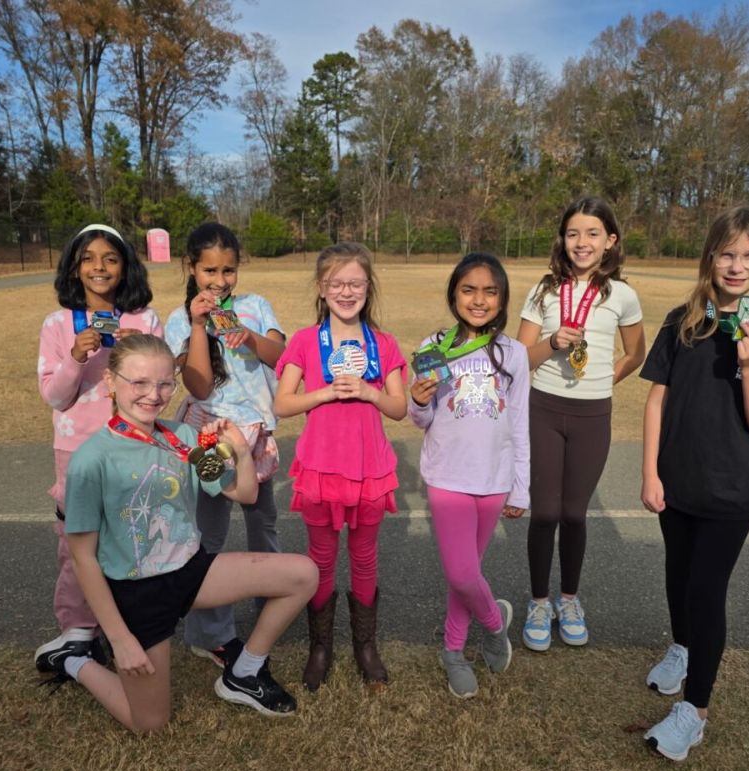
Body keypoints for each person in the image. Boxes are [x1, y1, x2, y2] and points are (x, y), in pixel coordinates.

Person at [56, 333, 317, 731]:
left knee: (303, 575)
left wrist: (241, 452)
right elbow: (83, 557)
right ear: (110, 381)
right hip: (137, 593)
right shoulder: (92, 460)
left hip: (191, 573)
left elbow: (244, 493)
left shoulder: (183, 438)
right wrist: (120, 639)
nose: (153, 395)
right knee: (149, 724)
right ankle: (74, 661)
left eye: (165, 384)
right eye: (139, 383)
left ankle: (244, 672)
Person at [639, 204, 749, 761]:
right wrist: (650, 471)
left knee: (706, 592)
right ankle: (683, 649)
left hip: (730, 488)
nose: (737, 265)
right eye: (727, 253)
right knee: (678, 578)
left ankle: (695, 711)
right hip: (675, 480)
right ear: (710, 256)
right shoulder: (684, 319)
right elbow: (656, 400)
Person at [274, 243, 407, 690]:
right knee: (321, 560)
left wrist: (370, 392)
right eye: (337, 283)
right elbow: (282, 403)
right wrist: (325, 393)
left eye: (355, 283)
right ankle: (321, 647)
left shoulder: (383, 343)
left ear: (369, 287)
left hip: (370, 470)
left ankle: (365, 647)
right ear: (321, 287)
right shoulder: (304, 341)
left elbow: (399, 408)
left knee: (365, 559)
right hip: (321, 469)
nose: (346, 292)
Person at [516, 197, 645, 651]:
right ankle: (538, 602)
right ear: (562, 239)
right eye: (573, 233)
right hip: (544, 410)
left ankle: (569, 600)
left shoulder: (622, 295)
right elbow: (519, 358)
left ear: (610, 240)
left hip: (593, 415)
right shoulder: (544, 290)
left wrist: (605, 378)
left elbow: (636, 353)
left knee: (573, 513)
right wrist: (552, 341)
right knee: (544, 513)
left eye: (593, 233)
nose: (582, 242)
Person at [35, 223, 162, 672]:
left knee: (130, 536)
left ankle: (125, 626)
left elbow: (159, 386)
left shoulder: (144, 320)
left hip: (131, 445)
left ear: (125, 266)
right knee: (77, 543)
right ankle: (77, 632)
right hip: (76, 450)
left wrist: (139, 352)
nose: (99, 267)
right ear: (74, 267)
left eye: (110, 258)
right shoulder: (57, 324)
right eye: (87, 259)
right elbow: (55, 397)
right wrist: (75, 356)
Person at [408, 253, 530, 699]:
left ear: (502, 299)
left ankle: (454, 650)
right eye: (469, 290)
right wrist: (419, 400)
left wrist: (521, 486)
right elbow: (421, 420)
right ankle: (494, 623)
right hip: (447, 475)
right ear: (454, 295)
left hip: (494, 479)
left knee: (468, 572)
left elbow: (519, 423)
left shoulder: (514, 353)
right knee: (461, 573)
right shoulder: (433, 347)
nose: (479, 300)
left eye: (490, 292)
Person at [164, 222, 285, 669]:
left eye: (228, 270)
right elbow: (197, 386)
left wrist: (249, 336)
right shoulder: (178, 319)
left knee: (263, 523)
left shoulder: (255, 306)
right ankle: (209, 633)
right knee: (208, 534)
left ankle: (273, 598)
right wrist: (199, 325)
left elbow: (281, 357)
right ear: (191, 267)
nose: (219, 281)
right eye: (210, 270)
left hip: (255, 435)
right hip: (210, 437)